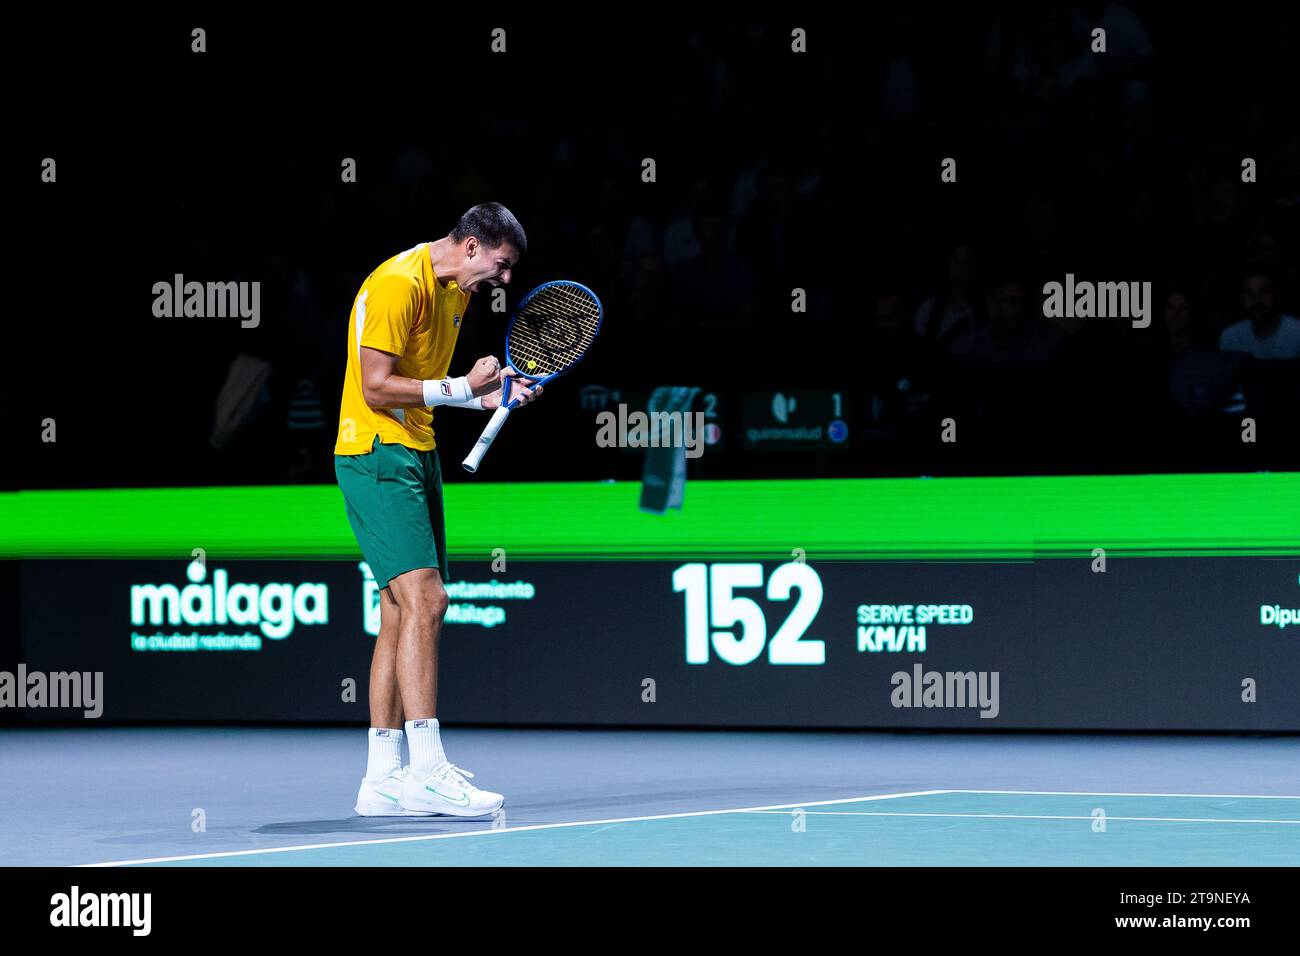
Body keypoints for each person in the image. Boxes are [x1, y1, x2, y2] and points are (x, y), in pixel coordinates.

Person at [333, 203, 541, 817]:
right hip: (374, 453)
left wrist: (482, 399)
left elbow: (420, 382)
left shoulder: (456, 293)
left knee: (400, 610)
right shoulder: (400, 283)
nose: (506, 282)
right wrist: (459, 390)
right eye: (502, 267)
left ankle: (382, 777)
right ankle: (427, 769)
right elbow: (374, 385)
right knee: (428, 599)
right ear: (472, 246)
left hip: (415, 451)